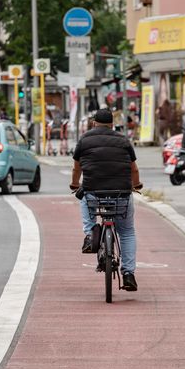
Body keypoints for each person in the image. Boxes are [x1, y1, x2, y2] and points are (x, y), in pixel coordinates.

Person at [70, 109, 142, 291]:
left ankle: (90, 235)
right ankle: (128, 274)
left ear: (94, 123)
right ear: (112, 124)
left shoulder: (84, 140)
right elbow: (134, 169)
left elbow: (77, 168)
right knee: (126, 231)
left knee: (85, 197)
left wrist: (74, 184)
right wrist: (136, 185)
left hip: (94, 192)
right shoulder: (124, 141)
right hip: (121, 194)